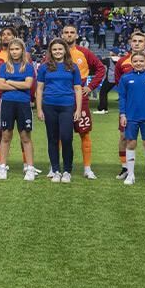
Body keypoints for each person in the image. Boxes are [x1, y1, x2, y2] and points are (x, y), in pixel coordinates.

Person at [53, 24, 106, 180]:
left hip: (80, 98)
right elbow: (44, 71)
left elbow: (101, 69)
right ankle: (55, 167)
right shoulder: (54, 52)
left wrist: (90, 87)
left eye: (72, 33)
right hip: (60, 97)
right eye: (66, 33)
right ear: (62, 35)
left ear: (77, 36)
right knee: (58, 134)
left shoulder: (84, 53)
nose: (69, 35)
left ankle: (87, 168)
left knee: (84, 132)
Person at [114, 31, 145, 180]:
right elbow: (120, 84)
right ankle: (125, 168)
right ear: (130, 43)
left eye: (140, 41)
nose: (137, 43)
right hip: (129, 109)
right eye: (134, 40)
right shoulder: (122, 62)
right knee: (124, 136)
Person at [36, 38, 84, 182]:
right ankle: (56, 170)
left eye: (60, 49)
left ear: (65, 50)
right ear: (50, 51)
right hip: (49, 105)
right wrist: (39, 109)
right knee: (52, 138)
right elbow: (39, 89)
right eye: (54, 49)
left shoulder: (73, 67)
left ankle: (67, 171)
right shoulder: (44, 67)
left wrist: (78, 109)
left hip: (67, 106)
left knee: (67, 138)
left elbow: (77, 89)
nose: (57, 52)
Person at [0, 37, 37, 181]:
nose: (14, 52)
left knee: (25, 136)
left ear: (22, 50)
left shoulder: (28, 67)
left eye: (17, 49)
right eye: (12, 49)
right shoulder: (4, 66)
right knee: (6, 135)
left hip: (23, 103)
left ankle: (30, 168)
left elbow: (28, 85)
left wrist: (10, 82)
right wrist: (19, 83)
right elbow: (1, 86)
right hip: (7, 103)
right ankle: (2, 167)